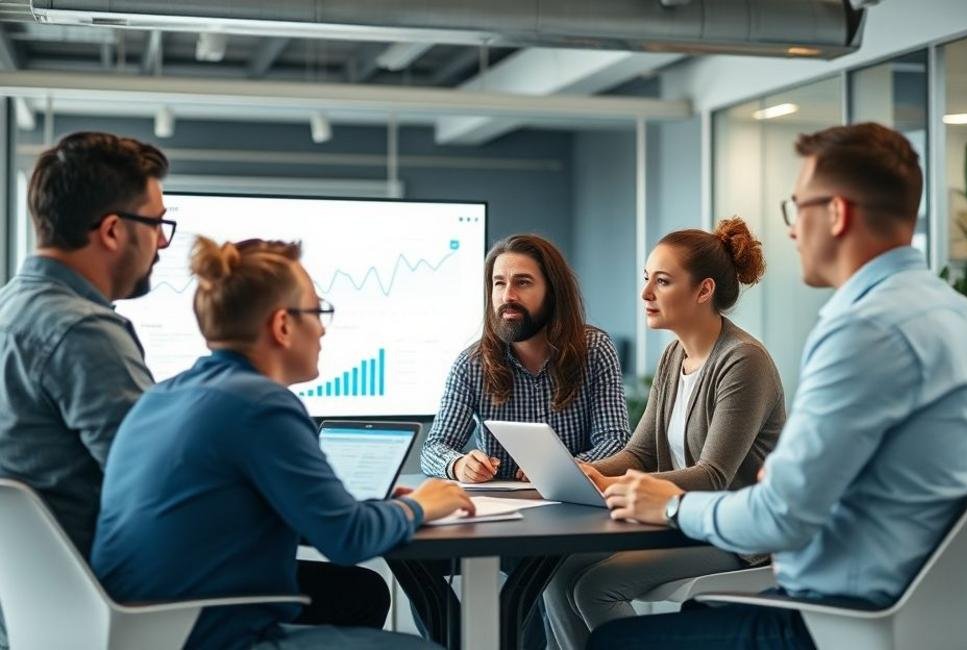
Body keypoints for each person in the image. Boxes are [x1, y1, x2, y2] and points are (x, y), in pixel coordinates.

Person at [587, 122, 967, 649]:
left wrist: (672, 505)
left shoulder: (862, 329)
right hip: (934, 615)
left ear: (836, 213)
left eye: (797, 208)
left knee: (613, 643)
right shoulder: (963, 315)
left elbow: (780, 514)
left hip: (835, 618)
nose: (793, 231)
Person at [91, 236, 474, 650]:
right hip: (213, 635)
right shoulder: (261, 403)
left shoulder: (163, 396)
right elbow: (347, 539)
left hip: (138, 628)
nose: (323, 328)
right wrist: (419, 506)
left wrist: (364, 505)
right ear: (283, 325)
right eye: (318, 311)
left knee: (358, 594)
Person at [543, 217, 785, 649]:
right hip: (681, 520)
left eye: (662, 281)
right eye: (646, 279)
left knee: (597, 587)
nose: (645, 294)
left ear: (703, 290)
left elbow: (714, 476)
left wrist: (616, 484)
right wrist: (580, 470)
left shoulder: (744, 361)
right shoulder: (675, 355)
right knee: (555, 574)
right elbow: (640, 451)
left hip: (737, 532)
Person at [0, 132, 170, 649]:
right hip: (116, 608)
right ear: (114, 231)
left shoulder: (12, 308)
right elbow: (162, 490)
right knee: (354, 595)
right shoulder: (81, 330)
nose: (162, 243)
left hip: (33, 614)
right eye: (158, 224)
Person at [420, 233, 631, 483]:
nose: (508, 296)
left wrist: (560, 469)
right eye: (499, 283)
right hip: (501, 509)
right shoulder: (472, 364)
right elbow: (434, 447)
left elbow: (615, 441)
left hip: (575, 502)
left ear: (552, 292)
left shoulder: (595, 350)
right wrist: (458, 465)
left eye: (522, 283)